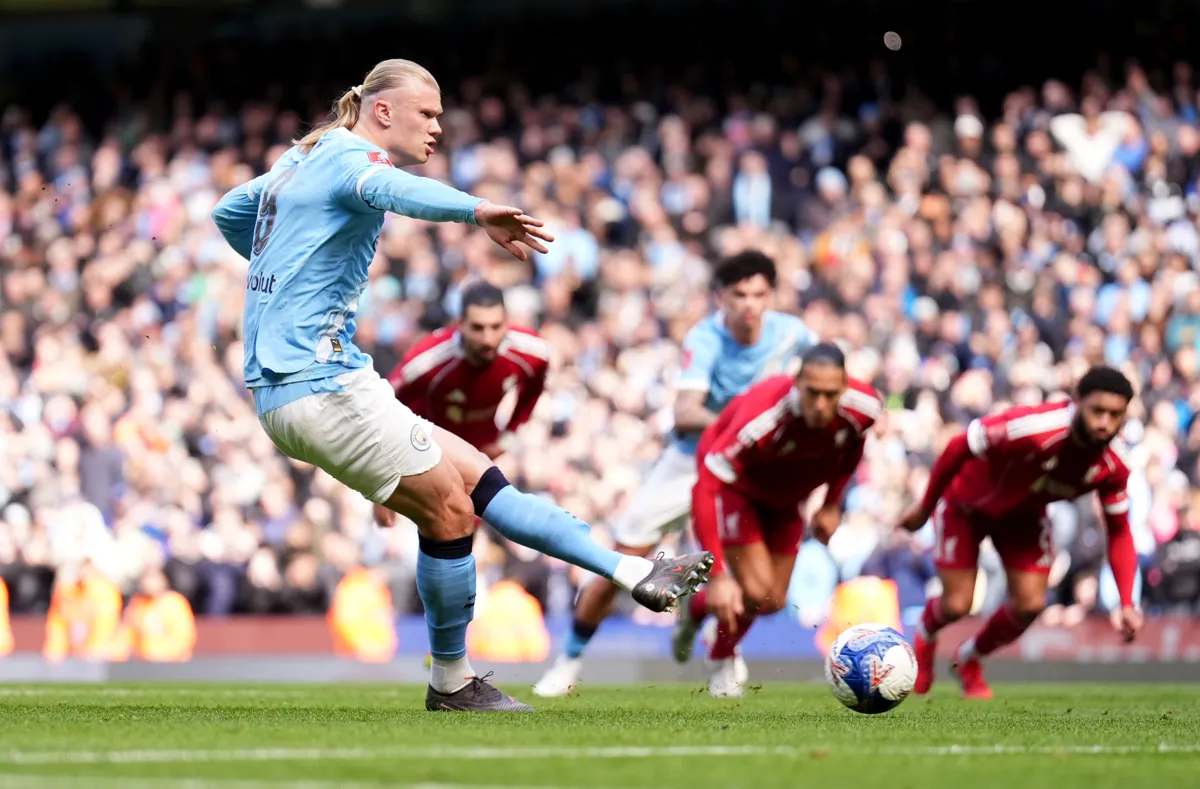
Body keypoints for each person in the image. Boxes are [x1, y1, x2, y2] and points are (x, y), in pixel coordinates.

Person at [211, 58, 713, 713]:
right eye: (427, 114)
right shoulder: (351, 160)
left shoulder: (298, 160)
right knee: (449, 512)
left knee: (481, 480)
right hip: (316, 383)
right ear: (383, 111)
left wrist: (287, 276)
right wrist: (477, 211)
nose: (437, 128)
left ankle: (633, 569)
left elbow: (229, 211)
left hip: (323, 380)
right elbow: (397, 192)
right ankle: (451, 680)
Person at [533, 251, 816, 697]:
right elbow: (685, 411)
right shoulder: (705, 338)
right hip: (689, 461)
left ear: (771, 296)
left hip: (746, 472)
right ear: (721, 297)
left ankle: (720, 654)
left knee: (749, 579)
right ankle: (568, 659)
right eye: (739, 295)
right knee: (620, 562)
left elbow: (826, 372)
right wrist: (742, 430)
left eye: (759, 295)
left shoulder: (792, 334)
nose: (750, 305)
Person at [897, 366, 1144, 699]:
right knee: (956, 604)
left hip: (1023, 517)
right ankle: (925, 636)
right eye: (1097, 411)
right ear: (1077, 402)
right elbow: (960, 444)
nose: (1105, 423)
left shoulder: (1115, 464)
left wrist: (1127, 602)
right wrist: (926, 506)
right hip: (966, 506)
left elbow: (1119, 531)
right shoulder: (1034, 427)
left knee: (1030, 604)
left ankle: (969, 658)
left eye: (1115, 415)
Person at [674, 343, 882, 697]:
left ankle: (698, 607)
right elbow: (705, 487)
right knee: (754, 590)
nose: (820, 404)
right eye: (812, 392)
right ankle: (720, 655)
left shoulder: (865, 408)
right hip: (738, 491)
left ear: (844, 388)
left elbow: (853, 445)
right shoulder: (763, 418)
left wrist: (831, 503)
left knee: (771, 601)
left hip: (786, 498)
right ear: (796, 383)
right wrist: (718, 574)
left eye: (830, 394)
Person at [389, 280, 548, 462]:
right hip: (432, 455)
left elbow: (533, 392)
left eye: (496, 326)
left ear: (507, 322)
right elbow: (388, 404)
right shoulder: (427, 362)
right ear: (460, 324)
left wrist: (506, 441)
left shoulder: (532, 353)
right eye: (477, 328)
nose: (488, 339)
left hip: (484, 453)